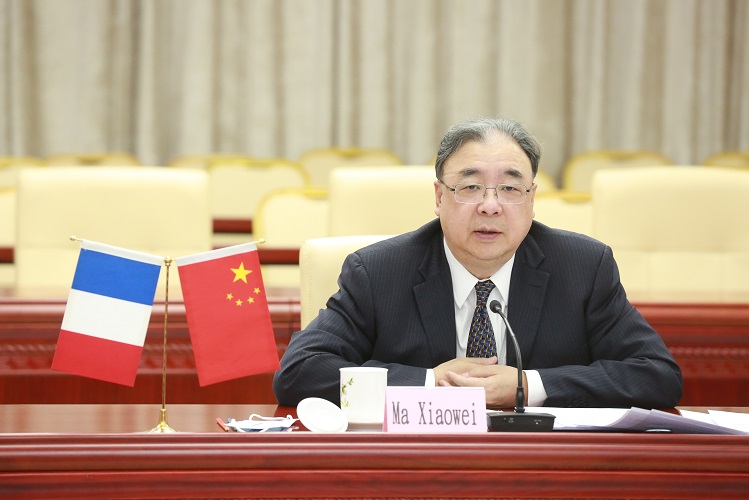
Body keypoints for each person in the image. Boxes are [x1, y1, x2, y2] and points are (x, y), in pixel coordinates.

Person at [273, 117, 682, 409]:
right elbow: (300, 372)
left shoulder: (583, 268)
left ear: (532, 199)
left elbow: (657, 375)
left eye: (510, 188)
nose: (490, 206)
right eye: (470, 187)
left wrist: (527, 385)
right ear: (439, 197)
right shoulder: (379, 272)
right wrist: (431, 382)